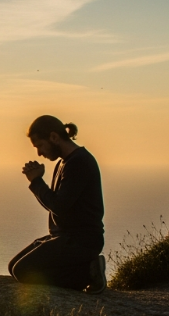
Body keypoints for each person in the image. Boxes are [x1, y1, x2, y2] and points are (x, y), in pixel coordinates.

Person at [8, 115, 107, 293]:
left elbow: (59, 206)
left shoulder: (79, 163)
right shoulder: (65, 162)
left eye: (40, 145)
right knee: (13, 267)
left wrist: (37, 181)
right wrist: (36, 182)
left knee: (23, 271)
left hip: (82, 240)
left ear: (54, 137)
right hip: (66, 237)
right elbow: (57, 204)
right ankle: (85, 267)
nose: (39, 153)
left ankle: (88, 273)